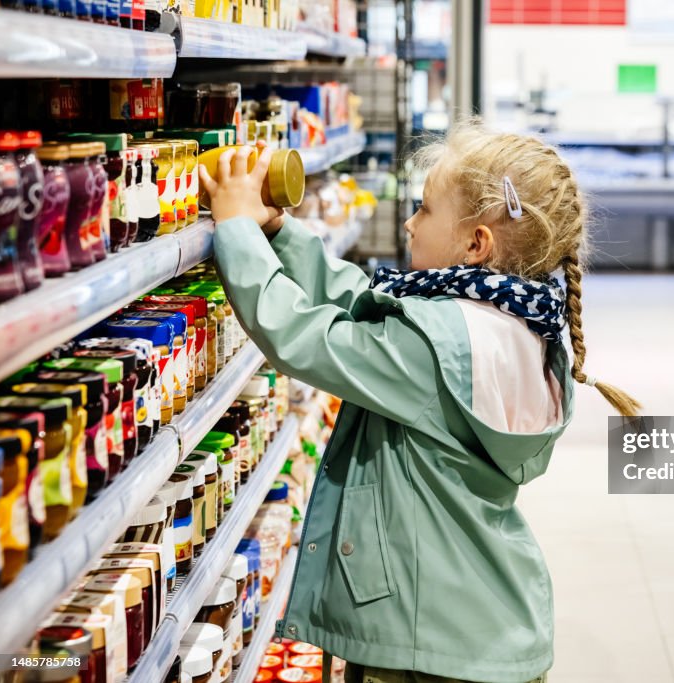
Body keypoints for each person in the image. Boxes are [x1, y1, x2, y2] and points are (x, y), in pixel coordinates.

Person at [198, 123, 640, 683]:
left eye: (424, 209)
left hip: (420, 645)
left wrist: (236, 229)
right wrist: (280, 232)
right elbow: (363, 304)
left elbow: (304, 337)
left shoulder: (431, 347)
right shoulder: (514, 325)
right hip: (482, 628)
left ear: (476, 243)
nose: (408, 222)